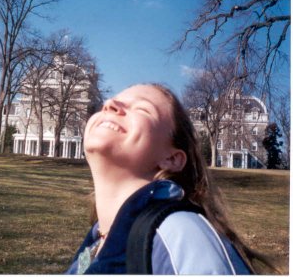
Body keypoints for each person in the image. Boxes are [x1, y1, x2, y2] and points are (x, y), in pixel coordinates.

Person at [66, 83, 272, 274]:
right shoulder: (95, 242)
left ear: (172, 159)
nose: (110, 104)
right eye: (107, 103)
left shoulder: (183, 234)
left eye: (142, 109)